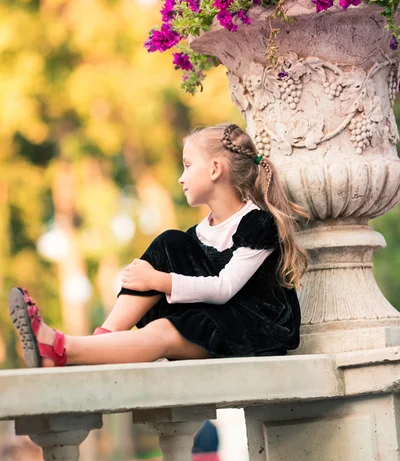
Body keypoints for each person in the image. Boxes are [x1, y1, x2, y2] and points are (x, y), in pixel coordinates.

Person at [9, 123, 309, 368]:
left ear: (215, 169)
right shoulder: (199, 234)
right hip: (215, 318)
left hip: (254, 327)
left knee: (164, 330)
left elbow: (224, 288)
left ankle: (62, 348)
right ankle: (103, 339)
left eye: (188, 165)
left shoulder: (257, 223)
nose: (181, 178)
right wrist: (156, 276)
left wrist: (158, 280)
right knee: (170, 242)